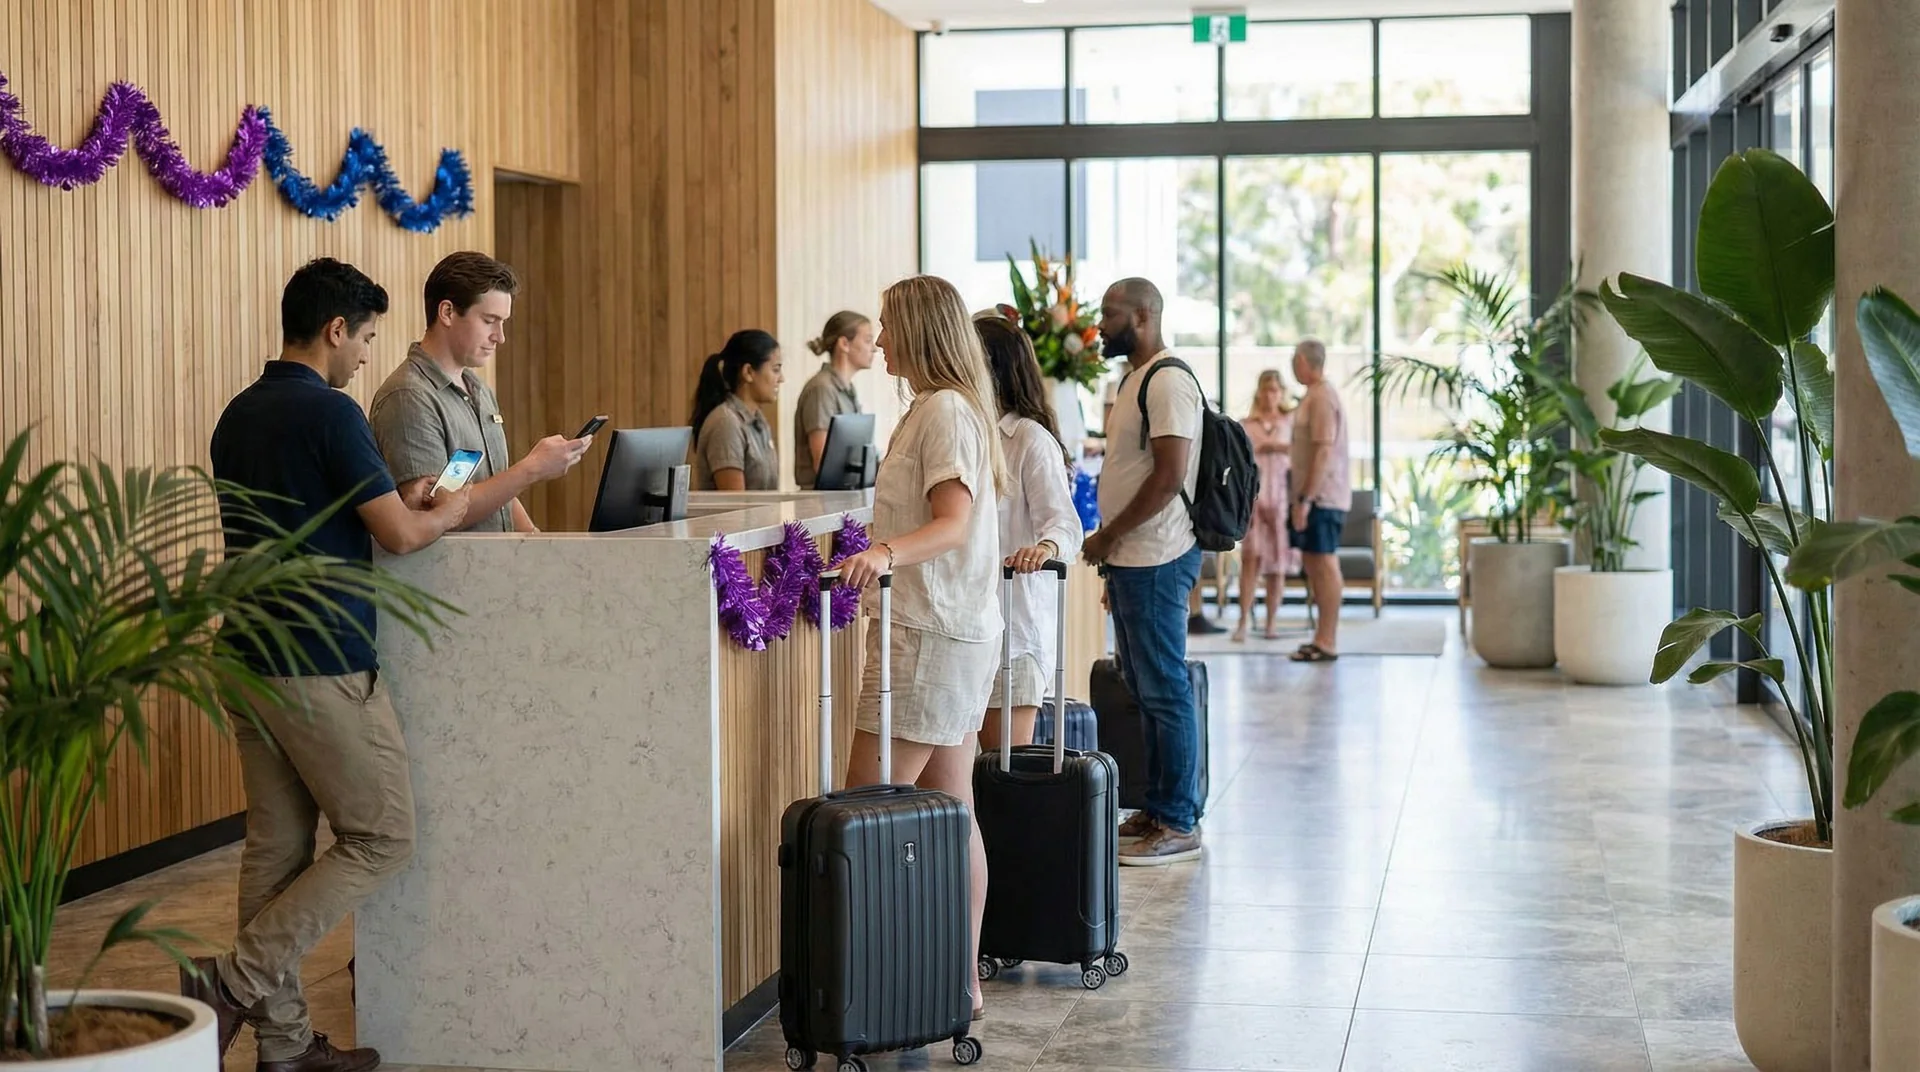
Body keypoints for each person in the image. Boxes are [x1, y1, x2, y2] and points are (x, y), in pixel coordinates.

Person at [189, 257, 471, 1072]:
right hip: (320, 660)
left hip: (245, 655)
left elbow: (342, 513)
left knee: (274, 855)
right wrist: (452, 504)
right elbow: (404, 536)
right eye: (367, 338)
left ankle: (281, 1050)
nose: (365, 356)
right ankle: (230, 979)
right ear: (335, 329)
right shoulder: (333, 413)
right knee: (383, 836)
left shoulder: (237, 414)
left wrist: (403, 502)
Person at [834, 274, 1007, 1020]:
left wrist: (884, 556)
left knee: (863, 809)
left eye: (887, 325)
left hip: (930, 635)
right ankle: (956, 984)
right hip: (951, 631)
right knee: (951, 807)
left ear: (919, 330)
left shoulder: (942, 411)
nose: (880, 339)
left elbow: (952, 524)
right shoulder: (941, 409)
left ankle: (875, 989)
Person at [1080, 277, 1205, 866]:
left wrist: (1109, 534)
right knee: (1144, 687)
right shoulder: (1133, 378)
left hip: (1157, 554)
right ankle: (1157, 808)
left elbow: (1168, 475)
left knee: (1165, 688)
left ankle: (1179, 820)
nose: (1100, 325)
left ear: (1143, 316)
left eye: (1110, 314)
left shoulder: (1168, 378)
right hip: (1133, 558)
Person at [368, 251, 591, 532]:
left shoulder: (479, 389)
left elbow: (499, 488)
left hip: (499, 566)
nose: (500, 336)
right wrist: (531, 469)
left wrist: (538, 545)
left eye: (503, 322)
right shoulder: (408, 396)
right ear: (447, 312)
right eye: (489, 320)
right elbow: (429, 514)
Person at [974, 316, 1083, 752]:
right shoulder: (964, 430)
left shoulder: (1029, 439)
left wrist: (1045, 547)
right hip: (967, 628)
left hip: (1014, 631)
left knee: (1006, 767)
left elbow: (1064, 523)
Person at [1288, 339, 1353, 663]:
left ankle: (1328, 640)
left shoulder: (1323, 397)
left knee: (1325, 563)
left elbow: (1323, 450)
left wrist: (1306, 498)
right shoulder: (1312, 396)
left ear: (1303, 360)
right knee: (1313, 562)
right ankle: (1320, 637)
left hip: (1322, 497)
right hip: (1311, 496)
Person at [1234, 369, 1299, 643]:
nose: (1270, 394)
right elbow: (1240, 464)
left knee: (1277, 565)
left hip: (1282, 501)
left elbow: (1299, 456)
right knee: (1251, 560)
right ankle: (1242, 623)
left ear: (1281, 392)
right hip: (1255, 503)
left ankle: (1271, 622)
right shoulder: (1247, 425)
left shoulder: (1292, 422)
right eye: (1266, 389)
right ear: (1259, 391)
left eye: (1275, 389)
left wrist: (1280, 448)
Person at [691, 329, 784, 491]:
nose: (782, 379)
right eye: (776, 369)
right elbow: (737, 505)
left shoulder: (759, 420)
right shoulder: (726, 423)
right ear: (748, 372)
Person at [793, 310, 873, 487]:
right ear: (844, 344)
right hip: (822, 502)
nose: (873, 348)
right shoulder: (821, 389)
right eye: (868, 340)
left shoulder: (848, 390)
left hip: (843, 496)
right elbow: (823, 462)